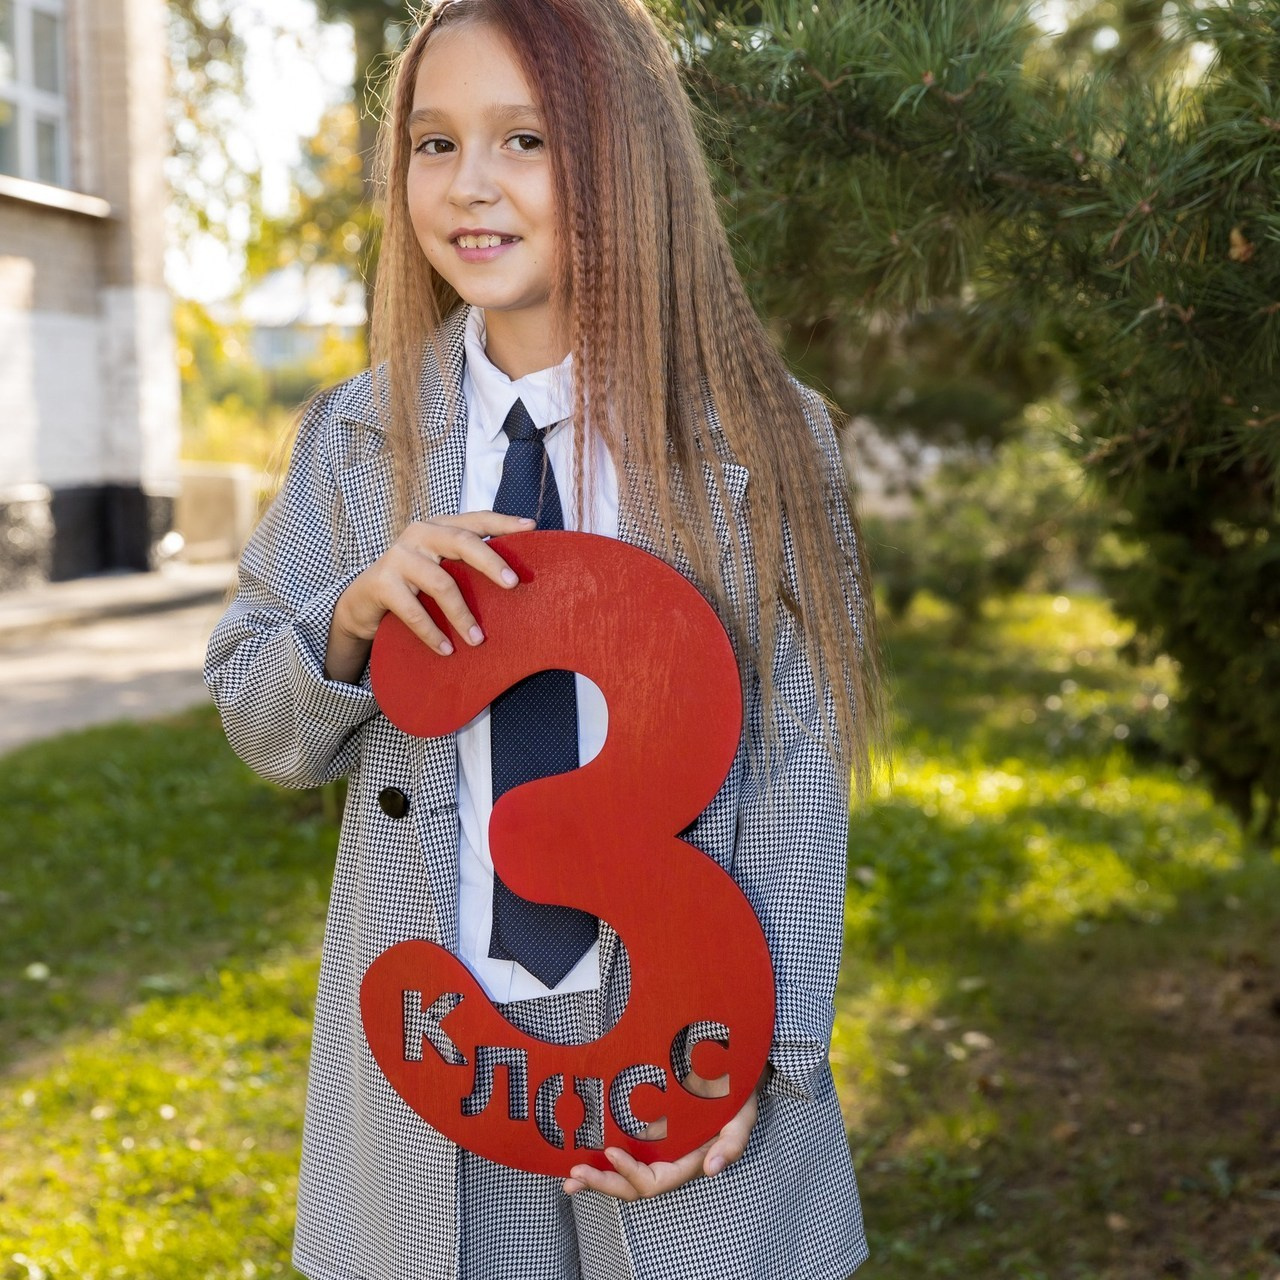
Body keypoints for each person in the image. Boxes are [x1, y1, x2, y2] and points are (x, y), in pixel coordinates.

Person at [205, 0, 885, 1276]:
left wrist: (748, 1062)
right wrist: (351, 615)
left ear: (622, 160)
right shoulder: (354, 440)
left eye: (525, 140)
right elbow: (258, 718)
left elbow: (799, 776)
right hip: (438, 1055)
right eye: (432, 142)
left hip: (667, 1052)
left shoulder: (762, 437)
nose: (470, 185)